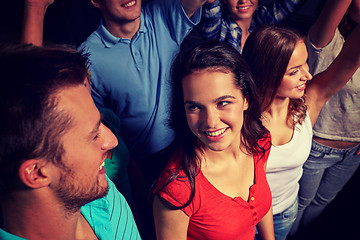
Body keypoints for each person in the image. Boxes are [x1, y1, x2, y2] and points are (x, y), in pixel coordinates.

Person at [0, 44, 141, 240]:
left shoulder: (101, 193)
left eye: (100, 123)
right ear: (37, 173)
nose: (112, 141)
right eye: (93, 135)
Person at [241, 22, 360, 240]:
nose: (308, 75)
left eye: (305, 64)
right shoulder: (238, 114)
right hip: (240, 217)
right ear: (267, 73)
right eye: (294, 71)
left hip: (284, 213)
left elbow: (349, 59)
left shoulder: (308, 103)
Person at [78, 0, 209, 186]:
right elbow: (105, 132)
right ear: (96, 2)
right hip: (146, 166)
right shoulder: (86, 58)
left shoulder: (160, 15)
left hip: (193, 142)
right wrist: (139, 188)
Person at [153, 41, 275, 240]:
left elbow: (262, 201)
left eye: (222, 103)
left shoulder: (260, 142)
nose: (210, 122)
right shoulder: (178, 189)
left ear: (246, 99)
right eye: (194, 107)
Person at [290, 0, 360, 236]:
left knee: (321, 204)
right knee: (299, 203)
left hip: (353, 152)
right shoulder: (325, 40)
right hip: (317, 145)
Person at [198, 0, 307, 53]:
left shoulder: (262, 21)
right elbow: (210, 10)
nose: (243, 1)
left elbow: (290, 4)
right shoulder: (218, 31)